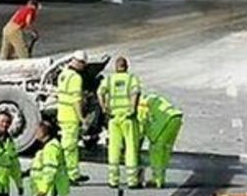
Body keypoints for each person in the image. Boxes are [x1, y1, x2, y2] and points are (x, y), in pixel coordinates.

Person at [98, 57, 142, 188]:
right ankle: (132, 180)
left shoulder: (109, 79)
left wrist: (104, 108)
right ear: (126, 66)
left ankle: (113, 180)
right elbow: (135, 93)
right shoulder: (131, 78)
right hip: (128, 118)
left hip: (113, 118)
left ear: (116, 67)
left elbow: (99, 92)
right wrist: (133, 109)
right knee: (131, 148)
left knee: (114, 149)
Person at [57, 50, 90, 184]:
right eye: (83, 64)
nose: (84, 67)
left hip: (62, 114)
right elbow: (76, 100)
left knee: (68, 146)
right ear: (80, 63)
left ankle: (72, 173)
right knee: (70, 147)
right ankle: (71, 175)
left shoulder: (63, 74)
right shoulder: (76, 78)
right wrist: (82, 118)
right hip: (70, 116)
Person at [138, 93, 183, 188]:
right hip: (176, 119)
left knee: (156, 150)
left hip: (165, 121)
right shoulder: (151, 98)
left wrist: (138, 140)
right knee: (165, 151)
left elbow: (142, 122)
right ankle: (161, 178)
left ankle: (157, 180)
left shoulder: (141, 104)